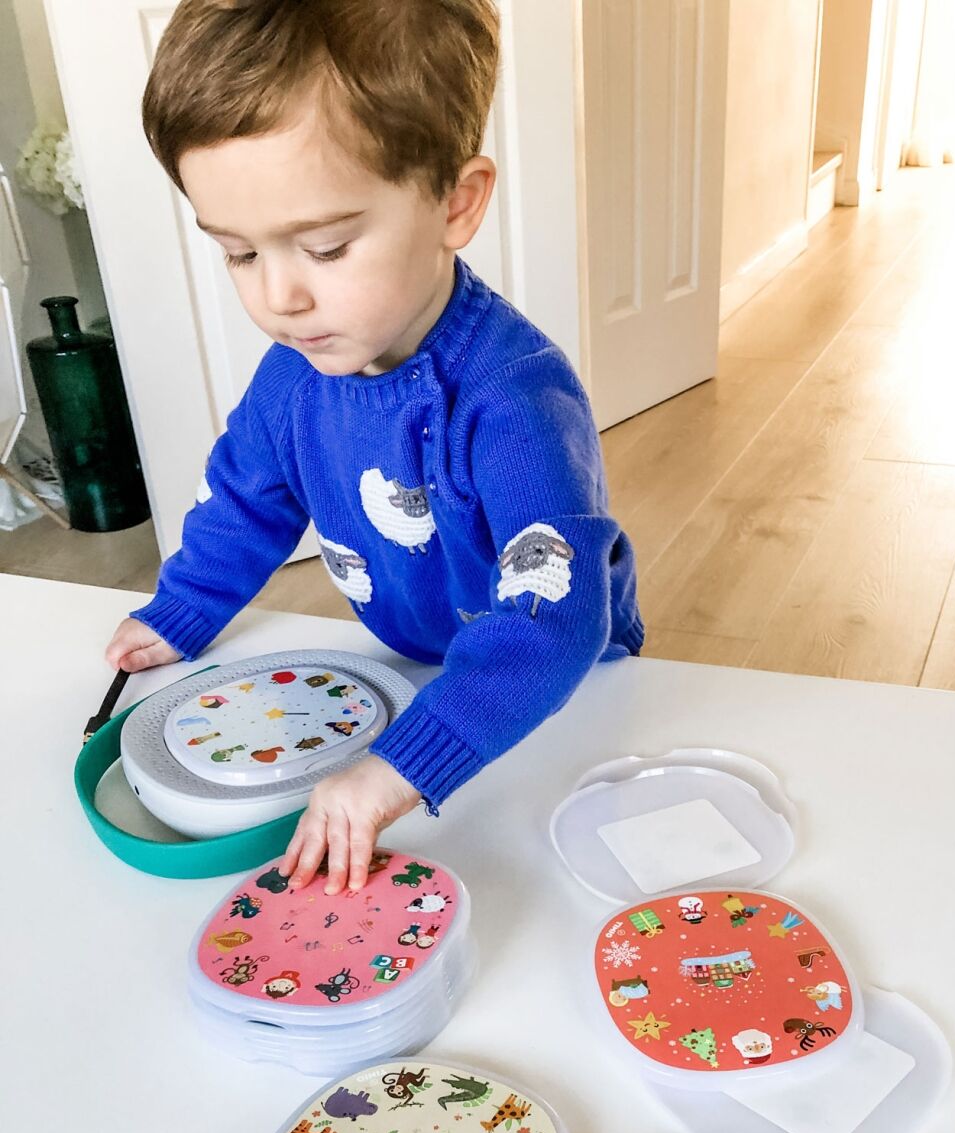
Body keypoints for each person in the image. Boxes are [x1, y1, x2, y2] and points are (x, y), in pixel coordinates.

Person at [105, 0, 641, 894]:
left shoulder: (515, 398)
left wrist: (402, 768)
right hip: (407, 666)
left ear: (455, 204)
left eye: (325, 246)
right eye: (239, 254)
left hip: (560, 689)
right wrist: (183, 607)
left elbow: (554, 619)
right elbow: (247, 495)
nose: (280, 297)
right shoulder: (294, 376)